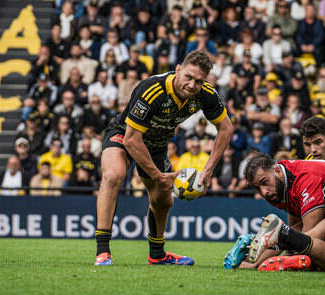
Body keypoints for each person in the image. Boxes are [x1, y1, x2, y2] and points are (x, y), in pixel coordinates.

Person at [95, 51, 232, 266]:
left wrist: (207, 171)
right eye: (188, 77)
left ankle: (157, 255)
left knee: (164, 200)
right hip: (125, 134)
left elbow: (225, 129)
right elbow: (131, 140)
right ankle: (102, 252)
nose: (192, 85)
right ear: (178, 70)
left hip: (157, 144)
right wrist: (158, 176)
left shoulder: (206, 94)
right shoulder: (152, 90)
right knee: (113, 175)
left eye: (198, 81)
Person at [242, 153, 325, 264]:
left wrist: (260, 262)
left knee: (309, 246)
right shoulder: (278, 186)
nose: (264, 192)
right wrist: (256, 258)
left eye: (264, 182)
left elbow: (306, 235)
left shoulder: (303, 178)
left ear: (277, 170)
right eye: (257, 188)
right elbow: (293, 228)